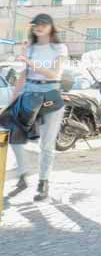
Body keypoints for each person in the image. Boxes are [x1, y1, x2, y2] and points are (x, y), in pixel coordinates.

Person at [8, 14, 68, 201]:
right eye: (35, 24)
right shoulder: (30, 48)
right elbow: (23, 75)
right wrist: (12, 99)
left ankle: (43, 182)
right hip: (29, 95)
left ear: (51, 27)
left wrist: (30, 62)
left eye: (43, 24)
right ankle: (23, 173)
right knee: (14, 135)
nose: (39, 27)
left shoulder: (59, 48)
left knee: (46, 144)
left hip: (50, 96)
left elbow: (54, 74)